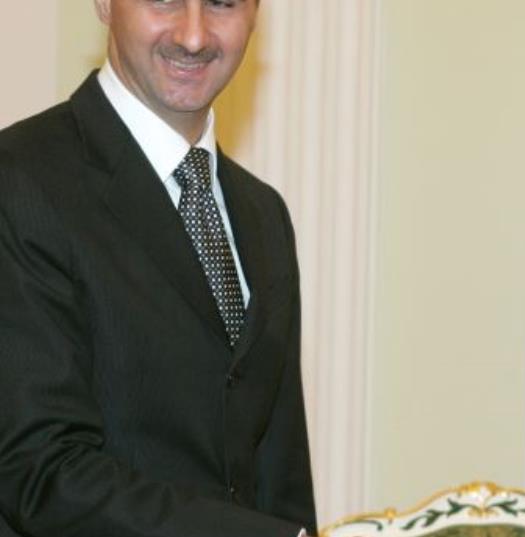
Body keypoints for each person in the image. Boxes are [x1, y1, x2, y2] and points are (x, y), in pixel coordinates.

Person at [0, 1, 316, 535]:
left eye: (221, 3)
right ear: (104, 3)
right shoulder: (20, 180)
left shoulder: (264, 215)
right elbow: (39, 469)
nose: (193, 36)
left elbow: (280, 476)